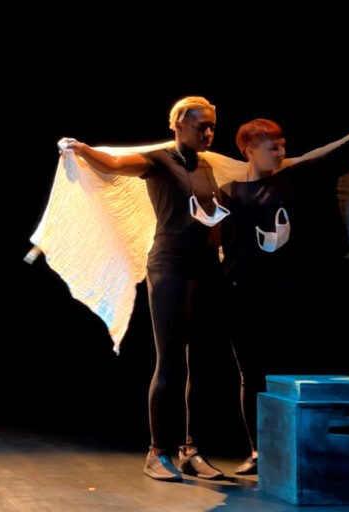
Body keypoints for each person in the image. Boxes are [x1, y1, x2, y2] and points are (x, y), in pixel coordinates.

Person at [220, 99, 349, 475]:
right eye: (272, 146)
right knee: (252, 375)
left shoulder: (298, 177)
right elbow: (218, 241)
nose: (280, 152)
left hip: (292, 295)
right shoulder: (228, 193)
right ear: (248, 149)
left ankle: (301, 453)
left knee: (294, 371)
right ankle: (260, 452)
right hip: (244, 297)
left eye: (283, 145)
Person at [60, 96, 228, 482]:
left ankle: (192, 450)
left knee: (202, 363)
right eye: (200, 126)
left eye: (212, 127)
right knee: (171, 360)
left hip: (204, 268)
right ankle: (158, 452)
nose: (207, 133)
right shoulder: (158, 160)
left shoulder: (207, 165)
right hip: (170, 266)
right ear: (178, 125)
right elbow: (114, 164)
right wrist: (81, 148)